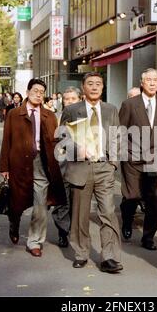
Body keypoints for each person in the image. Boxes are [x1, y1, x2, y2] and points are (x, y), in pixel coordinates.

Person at [60, 72, 122, 273]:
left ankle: (110, 256)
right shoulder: (71, 110)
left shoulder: (111, 110)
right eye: (90, 84)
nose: (94, 87)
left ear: (103, 88)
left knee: (108, 212)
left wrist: (113, 163)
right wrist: (76, 149)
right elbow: (61, 138)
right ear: (83, 87)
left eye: (98, 84)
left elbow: (116, 137)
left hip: (104, 167)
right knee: (80, 214)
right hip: (80, 167)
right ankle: (81, 253)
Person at [0, 79, 66, 257]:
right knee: (17, 203)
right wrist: (4, 166)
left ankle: (35, 241)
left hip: (42, 164)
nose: (38, 94)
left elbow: (55, 141)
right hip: (19, 164)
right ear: (28, 92)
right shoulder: (14, 114)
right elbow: (7, 141)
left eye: (42, 92)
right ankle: (14, 223)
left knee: (40, 205)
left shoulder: (49, 116)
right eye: (35, 90)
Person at [119, 68, 157, 250]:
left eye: (155, 80)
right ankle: (127, 222)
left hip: (155, 161)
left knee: (155, 200)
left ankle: (148, 237)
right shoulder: (130, 104)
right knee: (132, 197)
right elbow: (121, 132)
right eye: (148, 80)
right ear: (142, 83)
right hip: (133, 159)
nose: (152, 83)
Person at [51, 86, 82, 248]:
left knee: (77, 201)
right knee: (63, 200)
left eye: (73, 99)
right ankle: (63, 231)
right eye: (66, 99)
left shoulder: (85, 118)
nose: (69, 102)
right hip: (61, 164)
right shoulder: (56, 117)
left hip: (81, 165)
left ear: (80, 99)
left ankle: (74, 231)